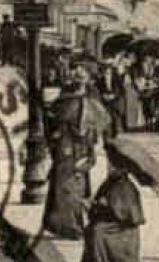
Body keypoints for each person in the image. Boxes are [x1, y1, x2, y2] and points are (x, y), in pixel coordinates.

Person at [42, 61, 111, 239]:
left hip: (68, 148)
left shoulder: (65, 101)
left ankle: (65, 224)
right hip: (78, 148)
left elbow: (53, 121)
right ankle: (70, 224)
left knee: (67, 185)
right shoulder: (89, 102)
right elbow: (98, 126)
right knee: (74, 186)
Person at [82, 144, 155, 262]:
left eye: (111, 166)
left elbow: (122, 213)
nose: (109, 168)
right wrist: (95, 204)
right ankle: (96, 261)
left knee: (97, 230)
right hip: (114, 222)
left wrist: (101, 205)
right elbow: (103, 199)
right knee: (93, 227)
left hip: (123, 227)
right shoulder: (111, 181)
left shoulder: (125, 186)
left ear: (120, 168)